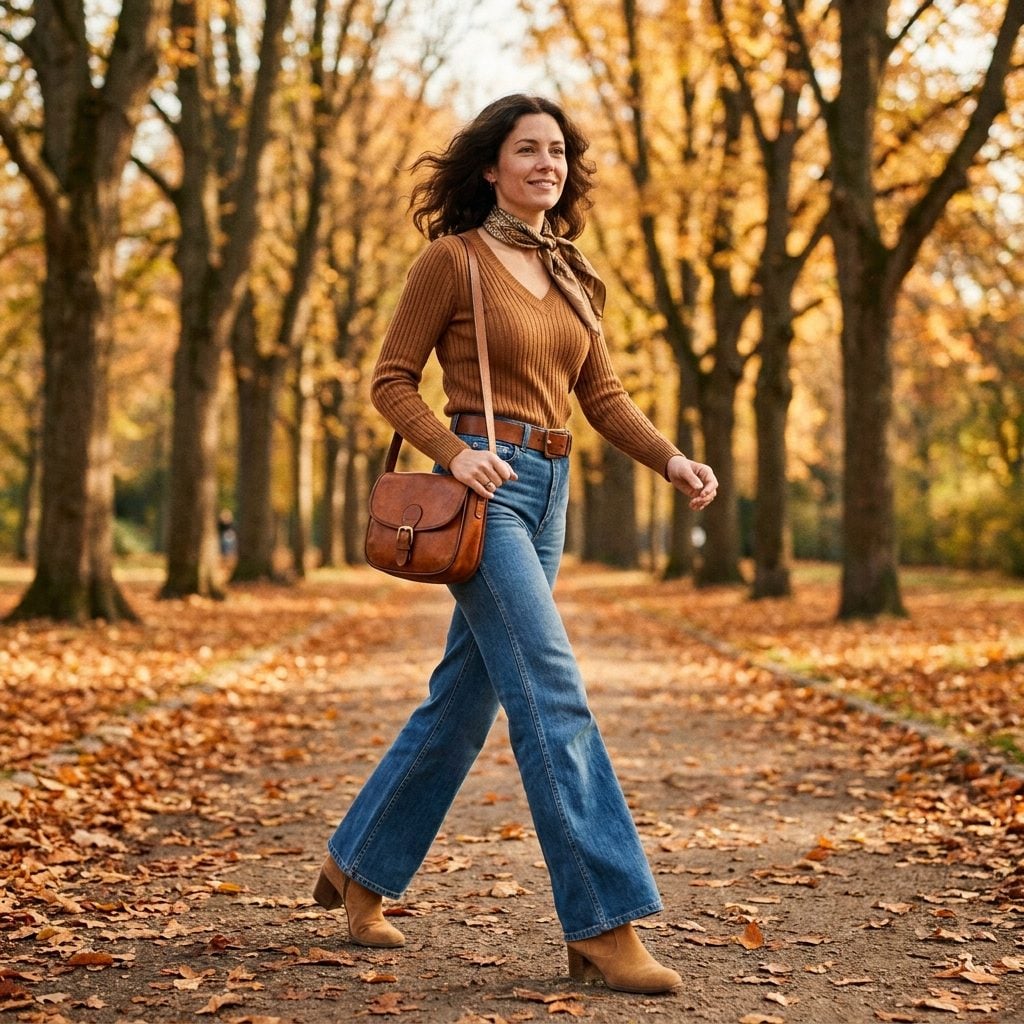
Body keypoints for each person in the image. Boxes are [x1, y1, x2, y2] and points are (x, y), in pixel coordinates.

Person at [314, 94, 718, 995]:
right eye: (527, 149)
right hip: (483, 492)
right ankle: (604, 923)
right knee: (551, 688)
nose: (548, 163)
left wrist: (672, 459)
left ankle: (359, 867)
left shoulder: (573, 274)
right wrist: (456, 456)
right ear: (491, 168)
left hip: (552, 495)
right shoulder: (451, 262)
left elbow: (602, 397)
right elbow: (389, 380)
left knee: (467, 699)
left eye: (559, 152)